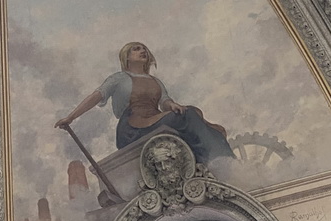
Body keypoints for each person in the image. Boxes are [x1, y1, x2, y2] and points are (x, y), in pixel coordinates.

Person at [55, 42, 235, 166]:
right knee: (189, 116)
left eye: (144, 49)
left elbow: (164, 101)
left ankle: (217, 164)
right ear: (127, 56)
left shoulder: (154, 80)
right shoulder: (119, 78)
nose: (143, 51)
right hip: (134, 127)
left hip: (156, 119)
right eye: (136, 49)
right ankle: (220, 161)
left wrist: (172, 105)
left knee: (196, 114)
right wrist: (70, 117)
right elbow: (96, 96)